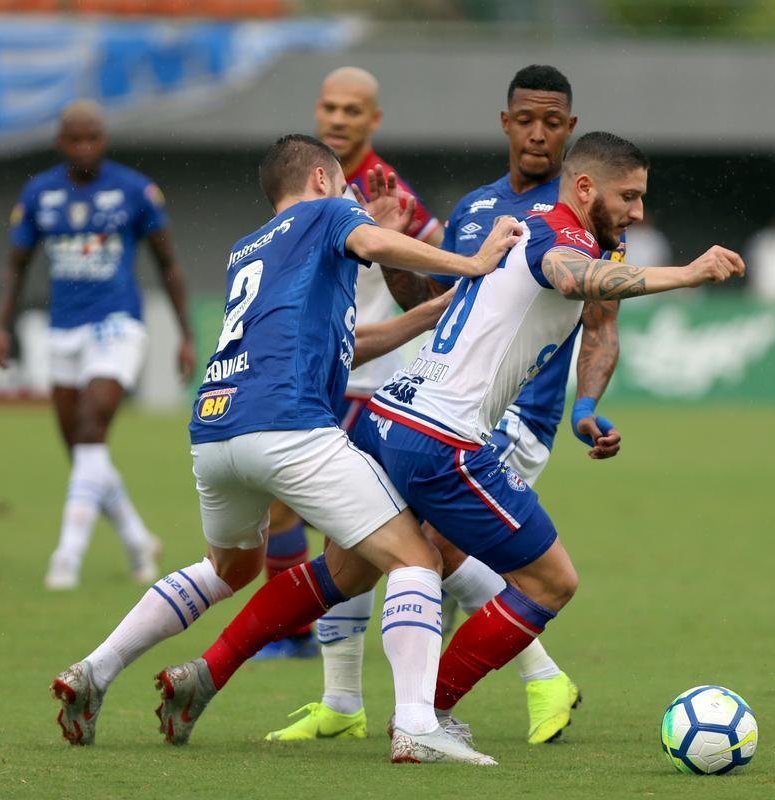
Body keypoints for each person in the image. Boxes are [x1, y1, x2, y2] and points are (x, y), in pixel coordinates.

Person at [158, 131, 744, 763]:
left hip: (390, 414)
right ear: (584, 188)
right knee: (550, 581)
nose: (637, 211)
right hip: (441, 440)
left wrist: (584, 409)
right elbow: (573, 278)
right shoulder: (559, 234)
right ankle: (427, 713)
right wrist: (686, 274)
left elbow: (576, 304)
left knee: (344, 572)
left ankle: (206, 673)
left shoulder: (544, 230)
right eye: (628, 196)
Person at [49, 134, 522, 766]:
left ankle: (95, 670)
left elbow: (347, 344)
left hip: (216, 428)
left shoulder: (251, 248)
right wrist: (473, 263)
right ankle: (416, 726)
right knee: (416, 557)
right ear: (323, 180)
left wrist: (430, 311)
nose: (353, 203)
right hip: (286, 425)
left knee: (230, 569)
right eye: (345, 189)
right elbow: (372, 242)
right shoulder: (329, 211)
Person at [265, 64, 620, 748]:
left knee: (423, 543)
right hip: (440, 407)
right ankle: (349, 701)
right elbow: (438, 305)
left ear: (570, 130)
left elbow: (602, 325)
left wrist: (586, 407)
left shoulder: (588, 214)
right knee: (364, 532)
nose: (538, 133)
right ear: (506, 123)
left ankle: (509, 685)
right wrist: (391, 256)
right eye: (526, 119)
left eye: (552, 122)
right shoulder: (476, 209)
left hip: (514, 418)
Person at [253, 66, 445, 660]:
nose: (338, 119)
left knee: (360, 522)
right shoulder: (301, 182)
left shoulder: (389, 191)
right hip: (310, 373)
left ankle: (428, 615)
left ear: (373, 119)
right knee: (283, 504)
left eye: (352, 110)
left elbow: (435, 266)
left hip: (368, 377)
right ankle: (295, 637)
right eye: (330, 107)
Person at [0, 100, 195, 591]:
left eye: (93, 138)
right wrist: (0, 326)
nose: (84, 147)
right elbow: (16, 266)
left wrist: (186, 334)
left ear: (104, 139)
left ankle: (67, 557)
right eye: (75, 139)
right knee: (85, 451)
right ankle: (138, 540)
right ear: (60, 142)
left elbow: (168, 263)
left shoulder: (134, 190)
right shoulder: (39, 193)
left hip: (118, 324)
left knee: (89, 427)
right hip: (63, 330)